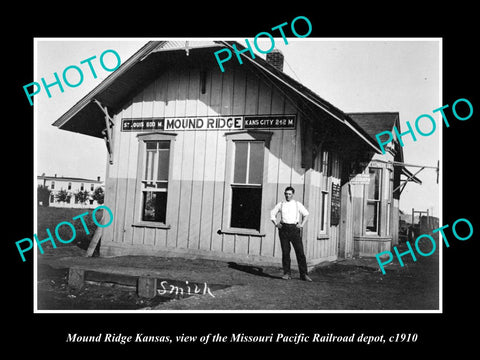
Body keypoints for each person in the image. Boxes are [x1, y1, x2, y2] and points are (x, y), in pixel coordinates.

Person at [270, 186, 312, 282]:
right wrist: (276, 224)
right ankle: (287, 273)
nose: (287, 196)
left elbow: (306, 214)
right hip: (284, 229)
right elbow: (272, 214)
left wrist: (301, 225)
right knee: (285, 252)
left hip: (294, 229)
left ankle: (304, 274)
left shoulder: (297, 204)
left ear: (293, 194)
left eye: (289, 194)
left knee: (300, 252)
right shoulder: (281, 204)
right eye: (286, 194)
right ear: (284, 194)